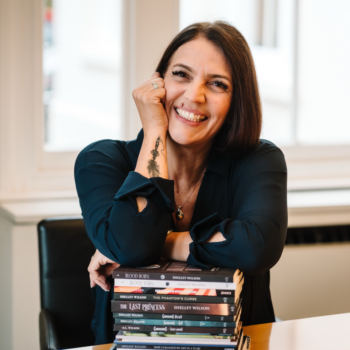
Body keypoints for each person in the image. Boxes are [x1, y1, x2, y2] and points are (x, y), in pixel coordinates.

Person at [74, 21, 287, 345]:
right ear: (156, 83)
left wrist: (165, 241)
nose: (194, 95)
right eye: (181, 75)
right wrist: (155, 130)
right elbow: (132, 244)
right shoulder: (100, 160)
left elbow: (257, 246)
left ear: (236, 100)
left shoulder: (257, 160)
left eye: (217, 84)